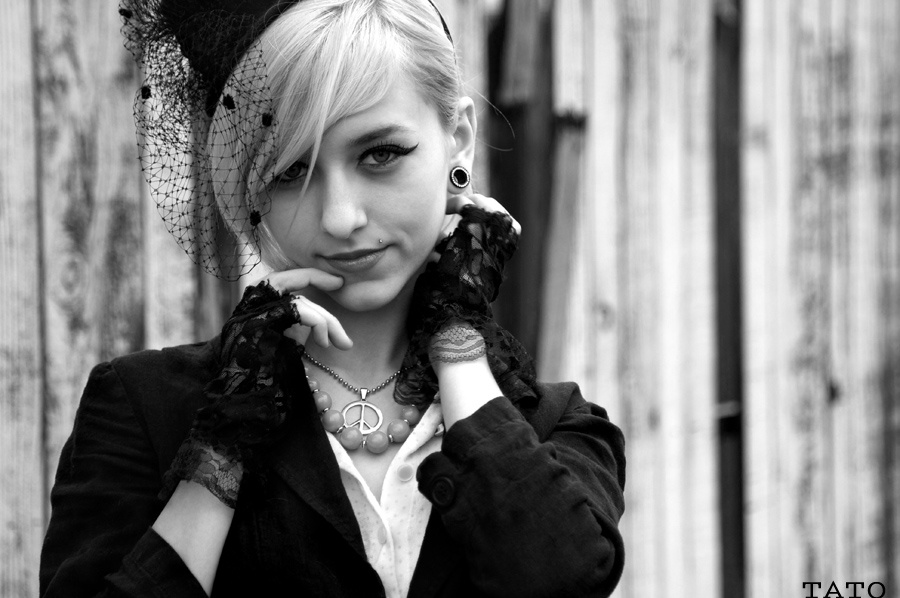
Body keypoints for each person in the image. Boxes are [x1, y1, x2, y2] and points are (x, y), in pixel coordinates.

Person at [39, 0, 626, 596]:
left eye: (380, 154)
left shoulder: (556, 427)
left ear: (459, 140)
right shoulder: (143, 409)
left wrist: (457, 342)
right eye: (290, 172)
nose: (341, 218)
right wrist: (221, 449)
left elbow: (560, 580)